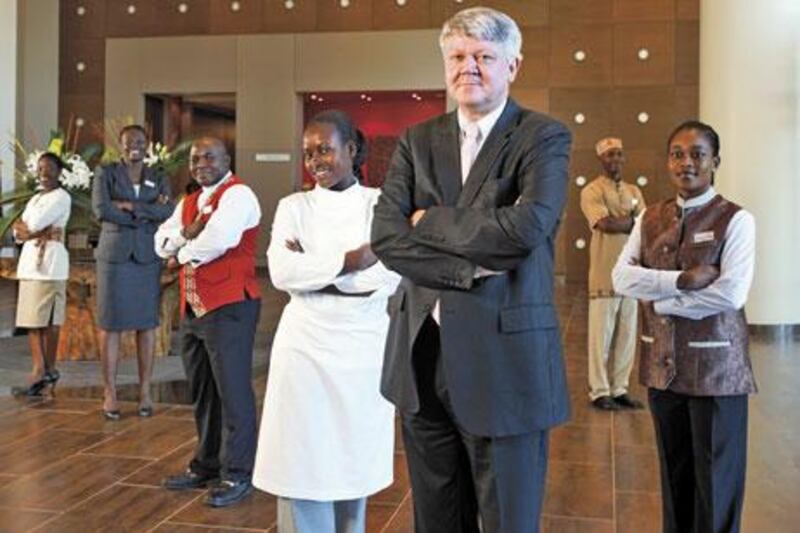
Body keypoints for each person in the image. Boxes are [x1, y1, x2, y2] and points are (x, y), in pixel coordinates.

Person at [370, 7, 572, 533]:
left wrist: (429, 219)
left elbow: (525, 231)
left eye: (484, 57)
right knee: (436, 520)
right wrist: (467, 268)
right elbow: (388, 238)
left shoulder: (542, 137)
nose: (469, 68)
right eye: (458, 57)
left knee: (509, 520)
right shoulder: (418, 141)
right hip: (422, 358)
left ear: (513, 65)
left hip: (507, 364)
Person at [254, 110, 400, 533]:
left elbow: (386, 276)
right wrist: (352, 259)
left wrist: (315, 274)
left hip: (362, 347)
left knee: (351, 458)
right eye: (308, 153)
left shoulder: (380, 204)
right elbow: (282, 273)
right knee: (303, 459)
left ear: (351, 151)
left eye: (325, 149)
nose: (315, 160)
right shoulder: (292, 206)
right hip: (303, 346)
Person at [612, 120, 756, 533]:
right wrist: (680, 281)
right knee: (675, 478)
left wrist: (658, 301)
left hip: (717, 374)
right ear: (668, 161)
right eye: (678, 153)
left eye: (697, 154)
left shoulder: (737, 220)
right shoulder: (649, 217)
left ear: (715, 162)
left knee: (716, 482)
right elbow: (621, 278)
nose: (686, 162)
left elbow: (730, 294)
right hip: (663, 369)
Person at [156, 137, 261, 508]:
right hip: (194, 309)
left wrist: (179, 253)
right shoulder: (188, 202)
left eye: (209, 157)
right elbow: (159, 240)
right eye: (195, 158)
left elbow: (218, 239)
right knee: (202, 391)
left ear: (227, 160)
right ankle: (207, 464)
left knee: (233, 392)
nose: (201, 163)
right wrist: (184, 236)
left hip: (230, 306)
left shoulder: (238, 195)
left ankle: (238, 472)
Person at [92, 124, 174, 419]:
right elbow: (102, 210)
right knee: (111, 324)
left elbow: (168, 211)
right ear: (121, 145)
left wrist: (130, 207)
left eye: (140, 142)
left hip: (146, 257)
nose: (134, 147)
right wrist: (147, 211)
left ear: (147, 144)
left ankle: (145, 392)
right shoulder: (106, 173)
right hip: (114, 258)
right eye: (128, 142)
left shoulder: (159, 176)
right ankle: (110, 392)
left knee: (146, 325)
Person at [580, 137, 646, 410]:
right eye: (609, 155)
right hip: (604, 274)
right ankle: (599, 391)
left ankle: (620, 388)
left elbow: (647, 225)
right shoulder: (591, 190)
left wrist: (630, 222)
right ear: (601, 159)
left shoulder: (633, 190)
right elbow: (604, 223)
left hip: (631, 274)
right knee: (601, 337)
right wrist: (632, 220)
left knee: (627, 335)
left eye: (619, 154)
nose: (615, 159)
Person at [12, 152, 72, 397]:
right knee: (32, 320)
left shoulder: (61, 197)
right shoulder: (36, 198)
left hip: (49, 264)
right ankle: (42, 370)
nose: (44, 174)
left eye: (49, 169)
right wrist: (24, 229)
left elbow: (33, 223)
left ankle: (43, 369)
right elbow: (18, 231)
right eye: (40, 169)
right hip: (30, 264)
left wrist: (28, 229)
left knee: (46, 320)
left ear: (59, 172)